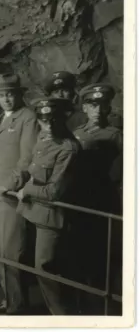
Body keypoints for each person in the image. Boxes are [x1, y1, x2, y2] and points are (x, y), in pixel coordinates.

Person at [11, 97, 80, 315]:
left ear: (60, 119)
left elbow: (54, 191)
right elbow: (33, 170)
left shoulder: (68, 148)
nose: (47, 125)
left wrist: (26, 191)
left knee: (45, 267)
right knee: (33, 263)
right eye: (43, 120)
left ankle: (62, 317)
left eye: (52, 120)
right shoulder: (42, 138)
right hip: (33, 211)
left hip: (50, 215)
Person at [0, 73, 39, 314]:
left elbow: (27, 159)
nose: (6, 99)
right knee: (0, 251)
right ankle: (9, 300)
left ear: (19, 94)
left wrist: (10, 183)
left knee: (12, 251)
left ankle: (17, 304)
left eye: (10, 94)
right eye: (1, 95)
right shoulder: (1, 118)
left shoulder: (27, 118)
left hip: (9, 193)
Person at [72, 83, 123, 311]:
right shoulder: (77, 134)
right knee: (79, 250)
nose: (98, 110)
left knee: (103, 251)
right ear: (85, 108)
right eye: (93, 105)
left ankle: (102, 304)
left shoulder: (115, 136)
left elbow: (118, 173)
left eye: (102, 105)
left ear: (108, 107)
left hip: (103, 199)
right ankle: (81, 301)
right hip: (78, 198)